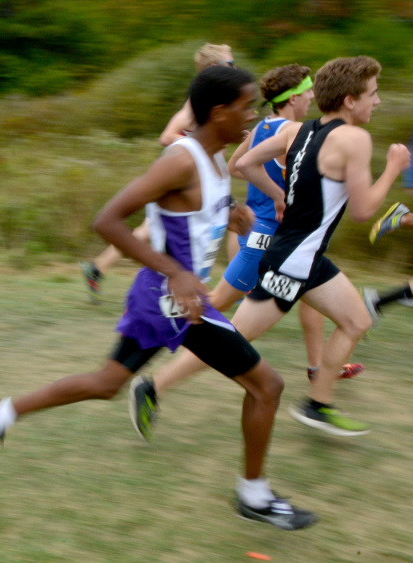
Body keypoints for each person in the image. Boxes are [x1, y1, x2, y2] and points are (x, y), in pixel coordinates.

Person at [0, 66, 318, 530]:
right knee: (268, 386)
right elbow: (108, 220)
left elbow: (189, 213)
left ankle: (1, 413)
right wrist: (175, 271)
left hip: (176, 301)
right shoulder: (181, 159)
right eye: (246, 106)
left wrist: (231, 215)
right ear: (219, 112)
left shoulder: (216, 158)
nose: (252, 115)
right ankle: (253, 496)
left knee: (106, 383)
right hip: (170, 301)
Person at [129, 56, 411, 438]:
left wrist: (281, 197)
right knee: (233, 339)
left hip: (304, 256)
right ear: (349, 100)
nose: (377, 102)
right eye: (373, 94)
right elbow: (363, 212)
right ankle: (153, 387)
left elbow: (244, 164)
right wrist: (394, 166)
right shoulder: (354, 138)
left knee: (357, 320)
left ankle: (318, 403)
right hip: (292, 261)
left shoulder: (301, 131)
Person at [81, 44, 237, 301]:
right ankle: (233, 286)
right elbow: (167, 136)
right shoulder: (196, 102)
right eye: (230, 65)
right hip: (184, 178)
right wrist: (198, 151)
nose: (235, 69)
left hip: (201, 180)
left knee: (147, 231)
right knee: (154, 230)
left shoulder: (217, 102)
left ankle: (97, 268)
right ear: (213, 69)